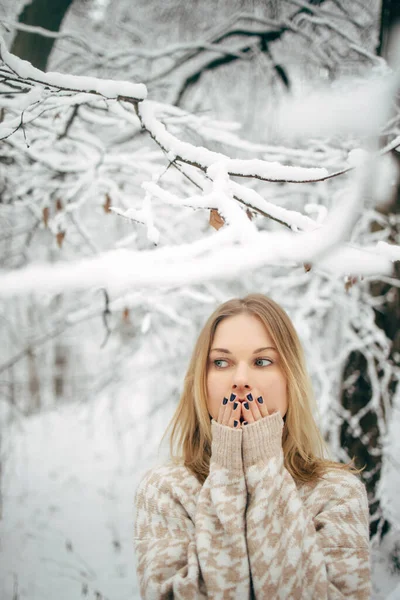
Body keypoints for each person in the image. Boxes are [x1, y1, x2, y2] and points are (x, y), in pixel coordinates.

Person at [133, 294, 371, 599]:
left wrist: (265, 469)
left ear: (289, 378)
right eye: (221, 362)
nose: (241, 380)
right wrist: (228, 475)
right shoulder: (165, 491)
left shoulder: (338, 492)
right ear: (201, 382)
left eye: (262, 361)